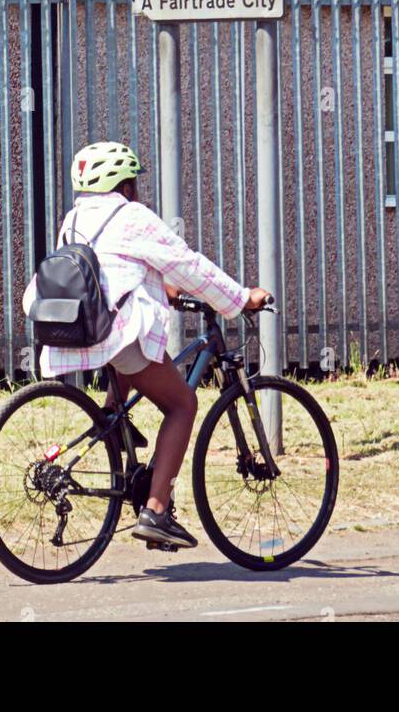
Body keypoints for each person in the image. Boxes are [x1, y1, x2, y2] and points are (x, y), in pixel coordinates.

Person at [22, 140, 269, 551]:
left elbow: (115, 268)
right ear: (125, 184)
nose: (136, 188)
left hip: (81, 329)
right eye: (133, 180)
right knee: (181, 404)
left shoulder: (75, 218)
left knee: (134, 359)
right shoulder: (132, 215)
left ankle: (112, 422)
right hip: (115, 332)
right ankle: (155, 511)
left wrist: (162, 287)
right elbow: (188, 264)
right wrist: (240, 298)